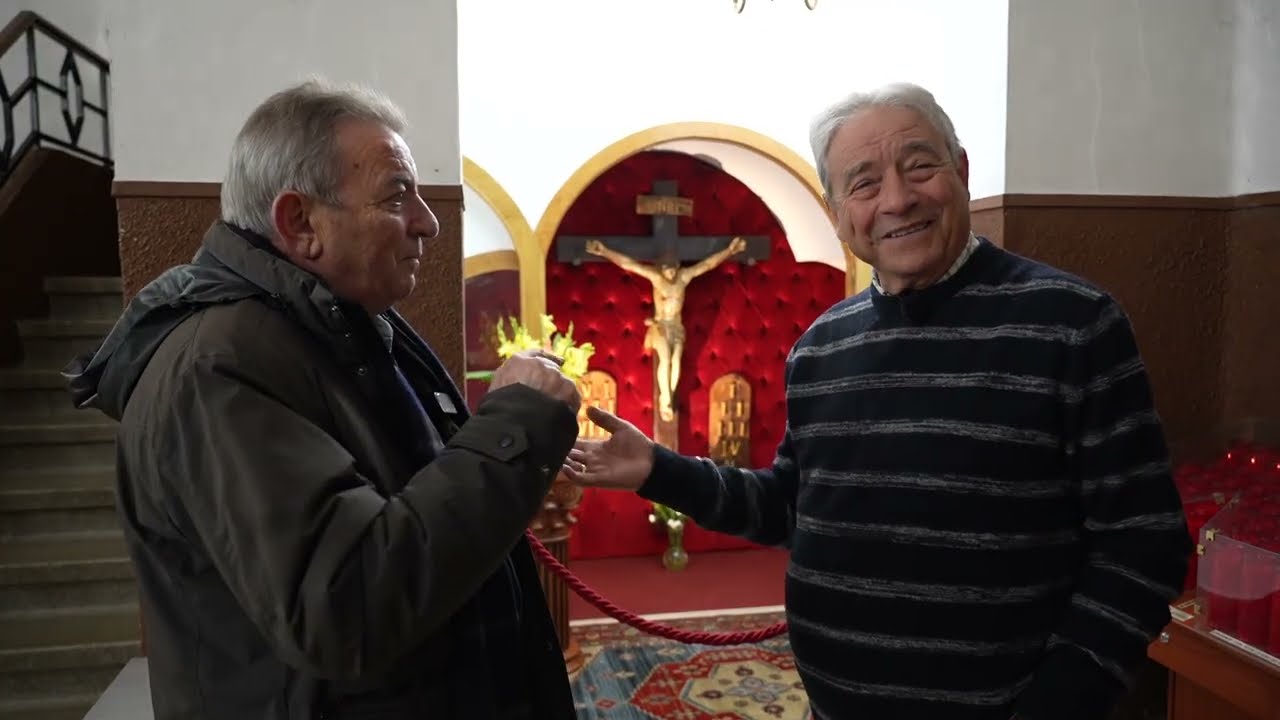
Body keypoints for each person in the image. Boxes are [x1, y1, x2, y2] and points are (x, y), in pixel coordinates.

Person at [565, 82, 1192, 720]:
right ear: (838, 214)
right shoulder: (820, 349)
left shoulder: (1072, 323)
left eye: (920, 165)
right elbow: (791, 507)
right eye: (863, 183)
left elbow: (1144, 544)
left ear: (963, 172)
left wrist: (1057, 704)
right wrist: (656, 469)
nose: (897, 199)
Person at [64, 80, 582, 719]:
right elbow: (346, 607)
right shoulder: (217, 369)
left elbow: (413, 515)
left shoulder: (345, 327)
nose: (429, 221)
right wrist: (516, 424)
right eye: (397, 195)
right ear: (300, 222)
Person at [584, 236, 747, 422]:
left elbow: (707, 265)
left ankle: (670, 394)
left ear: (677, 268)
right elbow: (629, 265)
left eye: (672, 270)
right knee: (666, 359)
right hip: (660, 326)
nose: (669, 274)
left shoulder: (683, 278)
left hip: (676, 328)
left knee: (676, 361)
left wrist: (730, 251)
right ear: (661, 269)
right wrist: (604, 251)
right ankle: (665, 398)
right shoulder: (656, 278)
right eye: (666, 270)